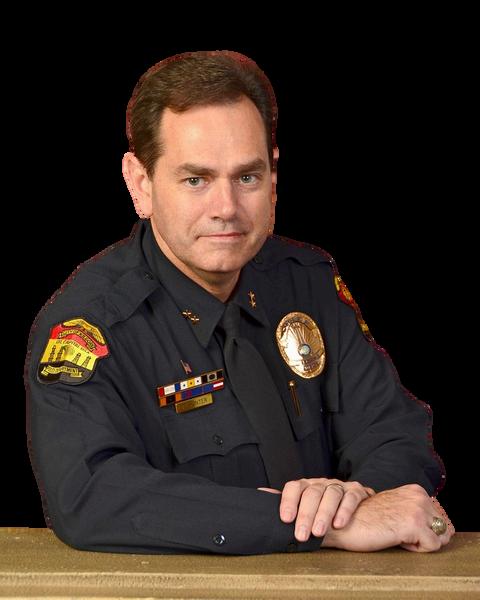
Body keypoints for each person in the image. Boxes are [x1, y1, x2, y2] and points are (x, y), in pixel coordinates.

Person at [24, 50, 454, 555]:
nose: (226, 208)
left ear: (274, 177)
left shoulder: (308, 283)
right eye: (196, 180)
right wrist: (318, 527)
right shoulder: (89, 325)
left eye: (247, 177)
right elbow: (92, 497)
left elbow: (393, 430)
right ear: (140, 184)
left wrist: (360, 499)